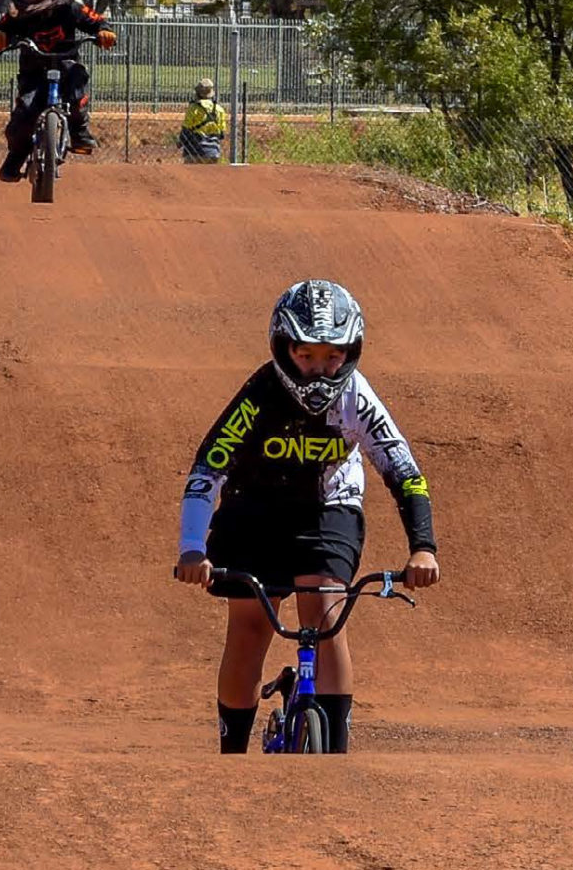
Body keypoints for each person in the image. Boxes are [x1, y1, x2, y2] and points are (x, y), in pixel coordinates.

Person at [172, 279, 440, 754]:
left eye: (332, 357)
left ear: (351, 352)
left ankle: (334, 749)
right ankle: (231, 751)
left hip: (328, 507)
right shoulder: (259, 396)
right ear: (283, 347)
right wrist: (192, 549)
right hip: (253, 508)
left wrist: (423, 547)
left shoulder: (355, 397)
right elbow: (206, 471)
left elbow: (405, 474)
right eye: (307, 356)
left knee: (325, 606)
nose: (320, 370)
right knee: (251, 622)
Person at [0, 0, 115, 183]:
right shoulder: (19, 14)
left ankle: (79, 130)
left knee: (77, 82)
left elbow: (96, 21)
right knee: (23, 116)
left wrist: (104, 32)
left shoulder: (71, 9)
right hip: (33, 71)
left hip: (66, 64)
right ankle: (16, 156)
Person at [178, 78, 226, 163]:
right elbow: (222, 134)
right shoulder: (219, 110)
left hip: (194, 151)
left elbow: (186, 130)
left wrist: (180, 143)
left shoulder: (193, 109)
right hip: (213, 153)